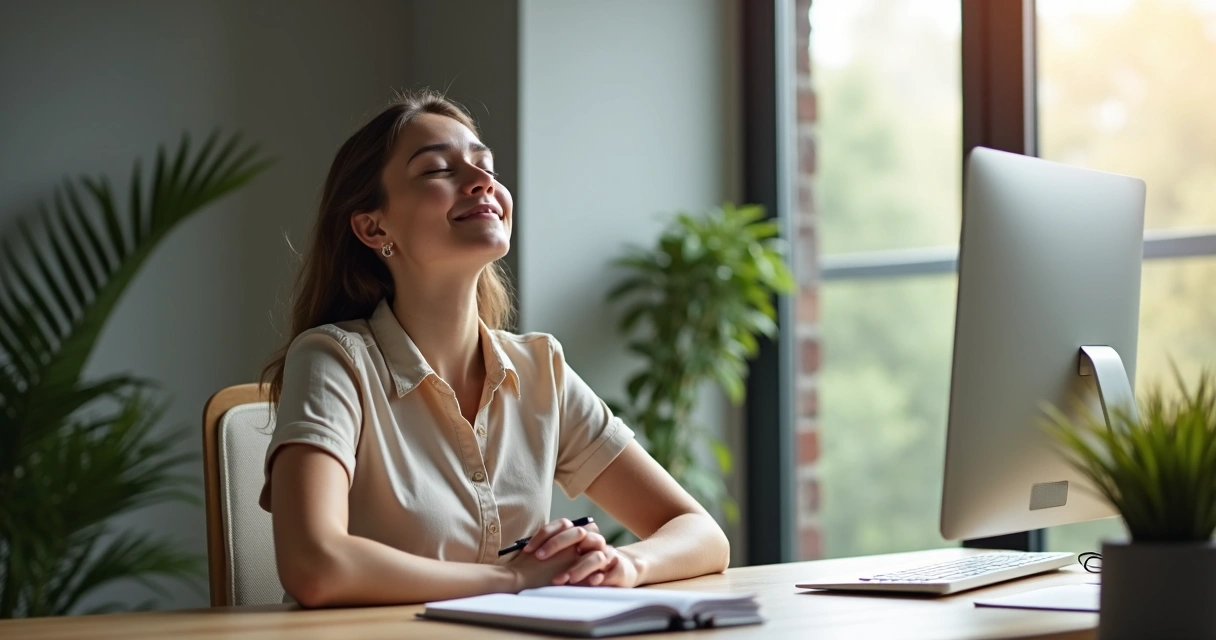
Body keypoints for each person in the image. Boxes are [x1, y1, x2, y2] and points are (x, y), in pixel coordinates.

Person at [258, 90, 730, 608]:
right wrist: (513, 579)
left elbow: (700, 533)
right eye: (438, 169)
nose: (482, 180)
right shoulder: (333, 361)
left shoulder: (540, 368)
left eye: (485, 165)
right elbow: (314, 567)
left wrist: (621, 565)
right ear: (374, 227)